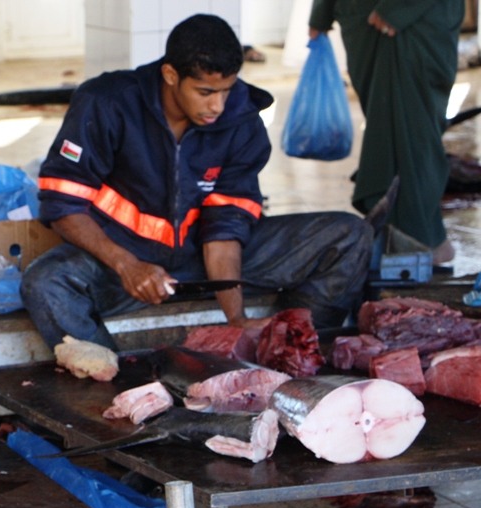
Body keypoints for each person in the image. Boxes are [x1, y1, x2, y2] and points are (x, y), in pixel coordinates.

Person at [21, 13, 374, 351]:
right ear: (171, 75)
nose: (218, 105)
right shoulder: (107, 103)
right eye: (205, 92)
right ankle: (121, 385)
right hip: (122, 266)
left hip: (206, 265)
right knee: (46, 283)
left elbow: (225, 226)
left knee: (350, 235)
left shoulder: (242, 120)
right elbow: (61, 201)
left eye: (226, 90)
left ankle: (290, 350)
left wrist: (235, 317)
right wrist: (127, 264)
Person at [309, 0, 463, 262]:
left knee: (411, 134)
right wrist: (321, 12)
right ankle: (402, 238)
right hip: (366, 21)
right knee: (388, 132)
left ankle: (423, 239)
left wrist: (399, 7)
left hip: (409, 23)